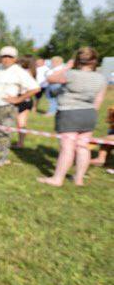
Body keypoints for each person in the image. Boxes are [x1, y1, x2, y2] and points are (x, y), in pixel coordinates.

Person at [38, 47, 107, 187]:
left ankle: (57, 179)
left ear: (77, 60)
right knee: (83, 147)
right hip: (89, 114)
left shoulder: (71, 74)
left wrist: (66, 67)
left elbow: (50, 78)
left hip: (69, 113)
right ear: (94, 61)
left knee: (67, 147)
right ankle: (79, 179)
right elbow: (98, 101)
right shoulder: (101, 78)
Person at [0, 46, 40, 167]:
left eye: (10, 57)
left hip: (7, 107)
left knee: (4, 134)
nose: (6, 59)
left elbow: (35, 88)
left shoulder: (19, 72)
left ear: (15, 58)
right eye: (4, 56)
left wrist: (18, 99)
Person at [13, 56, 36, 148]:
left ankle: (20, 143)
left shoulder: (24, 73)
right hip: (27, 99)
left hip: (22, 98)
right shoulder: (32, 71)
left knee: (21, 123)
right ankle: (20, 142)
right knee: (21, 123)